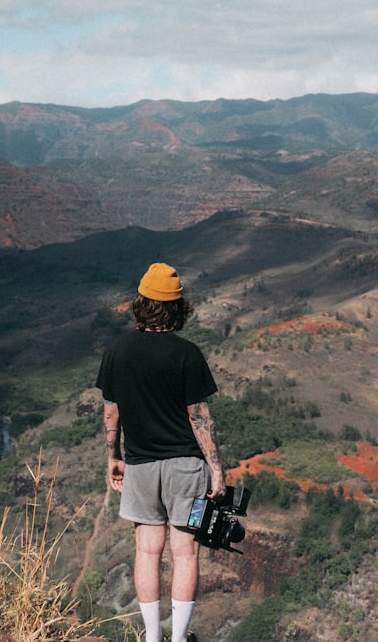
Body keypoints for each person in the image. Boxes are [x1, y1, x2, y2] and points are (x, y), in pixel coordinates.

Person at [96, 262, 227, 642]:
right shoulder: (187, 354)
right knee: (185, 553)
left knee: (147, 552)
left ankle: (152, 637)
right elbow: (199, 416)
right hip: (186, 467)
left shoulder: (117, 351)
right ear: (177, 307)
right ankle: (180, 638)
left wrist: (113, 456)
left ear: (141, 302)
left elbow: (111, 410)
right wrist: (216, 469)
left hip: (139, 465)